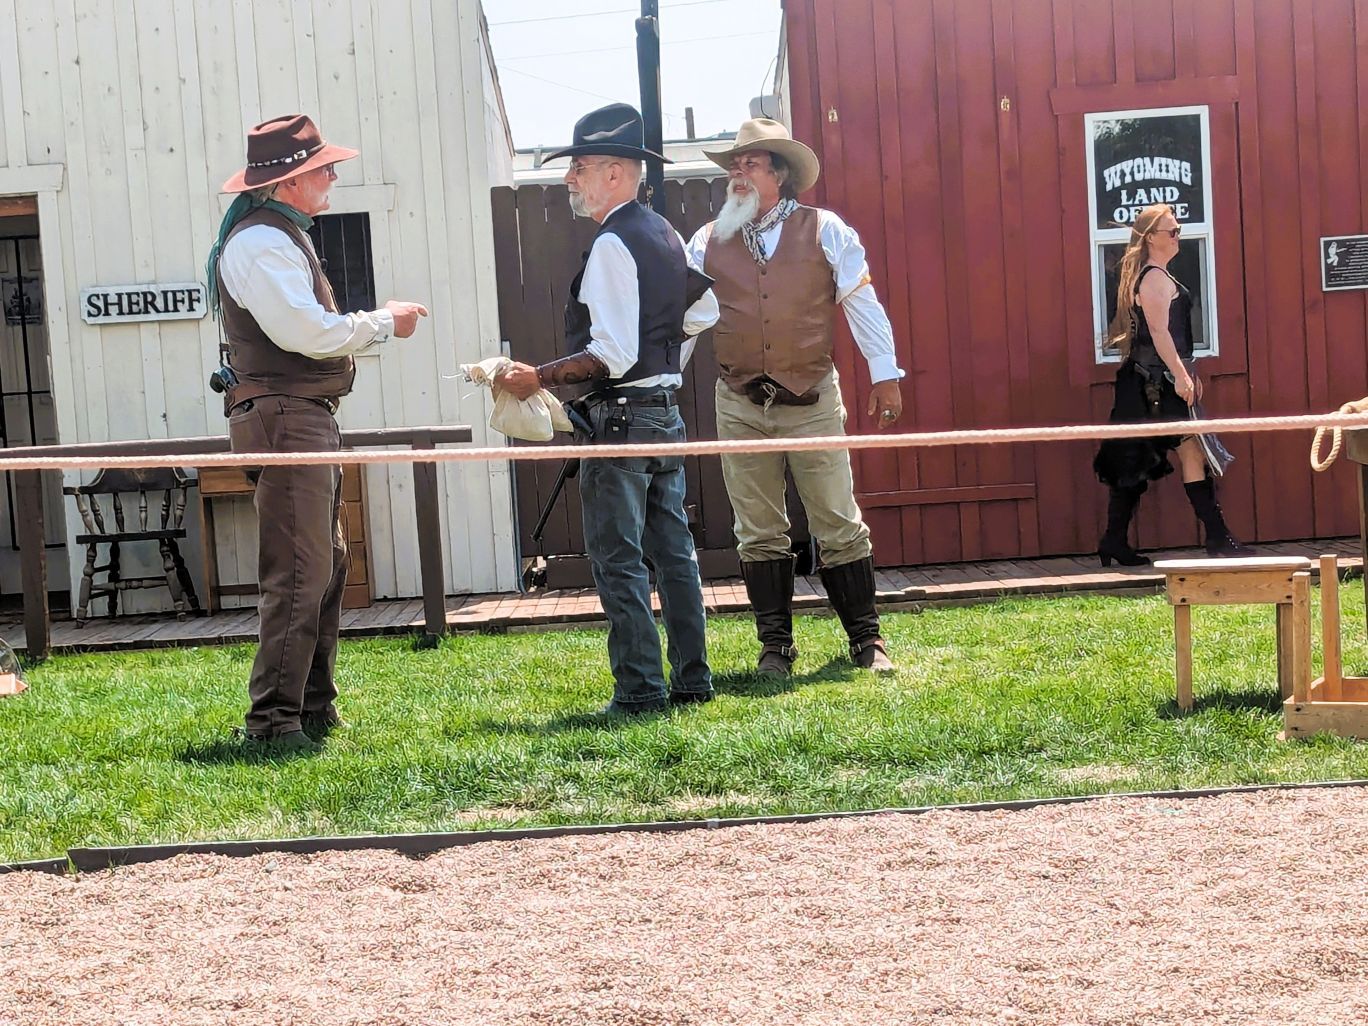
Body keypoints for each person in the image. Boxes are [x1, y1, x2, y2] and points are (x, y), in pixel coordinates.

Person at [208, 114, 428, 752]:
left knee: (324, 565)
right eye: (322, 167)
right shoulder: (262, 241)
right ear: (289, 182)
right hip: (286, 418)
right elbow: (305, 333)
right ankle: (275, 724)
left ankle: (308, 709)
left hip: (295, 416)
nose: (332, 175)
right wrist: (384, 321)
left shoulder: (270, 236)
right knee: (303, 570)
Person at [501, 104, 719, 716]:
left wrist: (536, 377)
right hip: (662, 414)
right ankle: (693, 681)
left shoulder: (613, 243)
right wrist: (663, 357)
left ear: (617, 174)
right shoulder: (664, 233)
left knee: (619, 560)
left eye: (580, 167)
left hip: (621, 420)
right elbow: (704, 313)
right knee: (673, 554)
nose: (569, 179)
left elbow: (612, 354)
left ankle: (641, 691)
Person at [684, 118, 903, 676]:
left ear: (779, 174)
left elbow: (861, 301)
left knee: (837, 520)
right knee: (757, 529)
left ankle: (867, 640)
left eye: (751, 164)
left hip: (811, 399)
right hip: (739, 401)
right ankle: (775, 647)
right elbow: (684, 321)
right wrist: (662, 382)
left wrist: (884, 373)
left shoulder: (825, 229)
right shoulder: (706, 241)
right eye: (734, 166)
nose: (738, 174)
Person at [1094, 202, 1252, 565]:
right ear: (1151, 237)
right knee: (1144, 458)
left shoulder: (1157, 275)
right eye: (1172, 231)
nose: (1179, 236)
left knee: (1168, 454)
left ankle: (1119, 541)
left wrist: (1186, 372)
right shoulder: (1153, 278)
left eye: (1178, 229)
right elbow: (1159, 333)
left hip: (1153, 382)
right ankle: (1214, 538)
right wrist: (1181, 375)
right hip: (1152, 385)